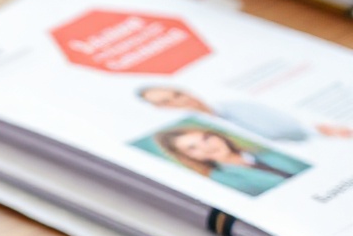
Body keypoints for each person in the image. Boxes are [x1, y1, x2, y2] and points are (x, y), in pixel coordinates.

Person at [135, 84, 351, 143]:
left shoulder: (238, 105)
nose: (179, 100)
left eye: (177, 93)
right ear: (162, 108)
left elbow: (290, 127)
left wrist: (323, 130)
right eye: (166, 102)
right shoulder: (191, 134)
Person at [143, 124, 308, 196]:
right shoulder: (221, 179)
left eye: (206, 138)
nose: (206, 147)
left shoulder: (267, 152)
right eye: (192, 148)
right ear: (187, 157)